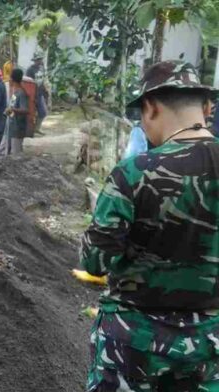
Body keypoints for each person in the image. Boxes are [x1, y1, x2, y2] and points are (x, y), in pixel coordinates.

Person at [81, 60, 219, 391]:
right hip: (210, 342)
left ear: (151, 107)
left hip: (135, 342)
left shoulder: (134, 172)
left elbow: (94, 261)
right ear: (207, 106)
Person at [5, 68, 29, 154]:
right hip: (12, 127)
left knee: (16, 153)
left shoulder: (21, 93)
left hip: (18, 128)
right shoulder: (15, 92)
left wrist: (12, 109)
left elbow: (25, 110)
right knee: (10, 151)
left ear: (12, 79)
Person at [26, 52, 48, 135]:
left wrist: (45, 90)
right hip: (33, 94)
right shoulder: (30, 70)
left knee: (43, 112)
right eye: (38, 60)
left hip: (40, 93)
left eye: (40, 59)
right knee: (31, 112)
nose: (39, 61)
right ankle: (30, 129)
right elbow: (28, 83)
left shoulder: (41, 68)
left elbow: (42, 81)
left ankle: (36, 128)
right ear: (35, 60)